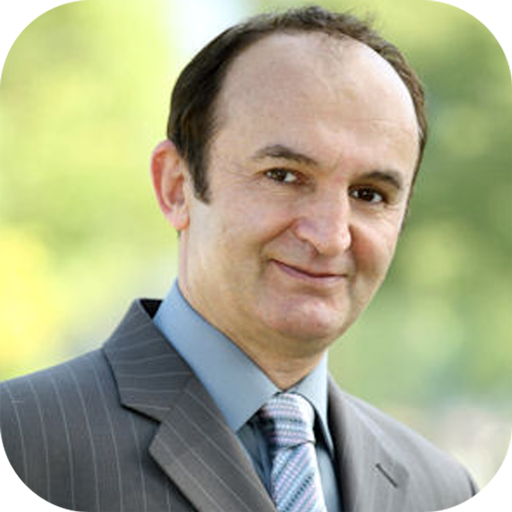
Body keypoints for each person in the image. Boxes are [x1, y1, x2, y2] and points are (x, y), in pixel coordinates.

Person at [0, 5, 478, 512]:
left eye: (369, 194)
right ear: (177, 186)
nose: (331, 236)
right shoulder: (22, 441)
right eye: (284, 175)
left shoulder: (444, 491)